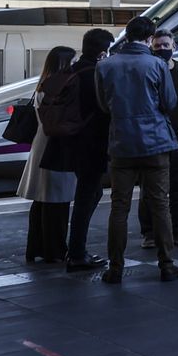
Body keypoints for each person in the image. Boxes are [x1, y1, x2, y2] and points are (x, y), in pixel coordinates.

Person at [95, 16, 178, 284]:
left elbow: (102, 105)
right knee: (160, 205)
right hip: (155, 143)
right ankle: (167, 265)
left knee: (119, 207)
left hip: (122, 144)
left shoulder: (105, 66)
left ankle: (115, 268)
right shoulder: (157, 64)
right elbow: (170, 102)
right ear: (149, 38)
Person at [50, 28, 112, 273]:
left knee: (90, 193)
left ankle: (76, 250)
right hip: (92, 143)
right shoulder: (96, 74)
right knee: (87, 197)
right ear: (102, 52)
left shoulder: (72, 71)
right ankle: (76, 254)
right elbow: (104, 109)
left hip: (71, 143)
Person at [138, 29, 178, 249]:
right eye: (157, 46)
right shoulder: (146, 70)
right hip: (154, 136)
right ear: (151, 47)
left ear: (174, 46)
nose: (162, 49)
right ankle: (150, 233)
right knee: (151, 186)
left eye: (166, 45)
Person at [17, 46, 76, 264]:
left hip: (41, 143)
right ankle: (55, 250)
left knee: (41, 201)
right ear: (64, 64)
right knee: (57, 202)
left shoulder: (43, 85)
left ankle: (35, 248)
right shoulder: (59, 89)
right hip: (56, 146)